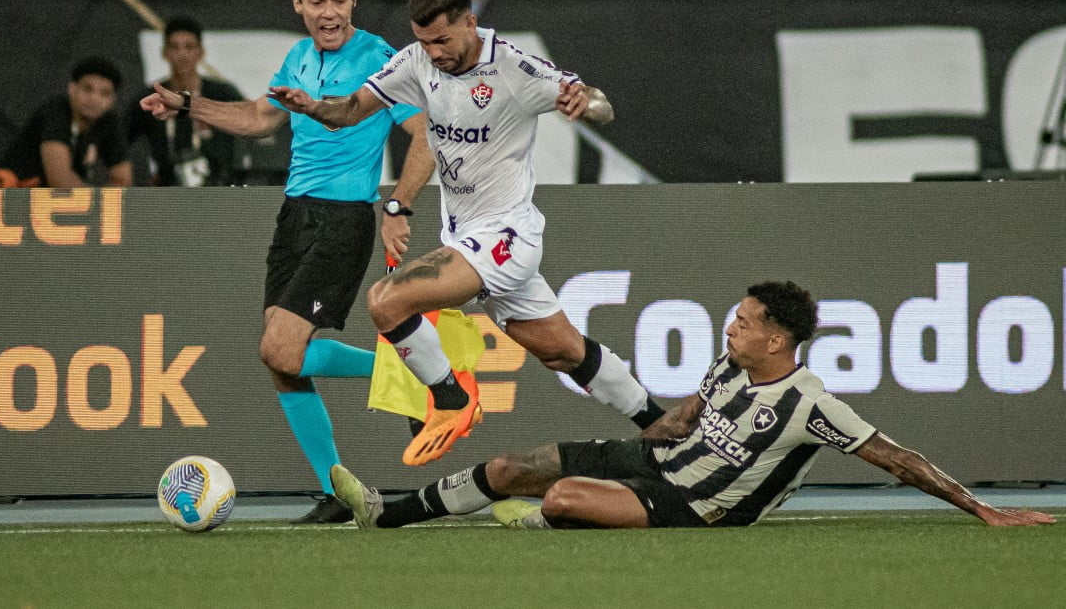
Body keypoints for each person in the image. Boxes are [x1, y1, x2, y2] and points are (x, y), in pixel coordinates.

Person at [267, 0, 666, 469]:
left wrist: (586, 105)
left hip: (505, 237)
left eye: (442, 40)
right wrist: (312, 107)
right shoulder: (416, 61)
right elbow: (351, 109)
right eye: (424, 40)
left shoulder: (514, 68)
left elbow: (598, 101)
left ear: (470, 23)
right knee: (566, 353)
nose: (433, 52)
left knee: (386, 300)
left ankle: (452, 401)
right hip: (465, 236)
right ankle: (661, 426)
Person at [329, 281, 1058, 530]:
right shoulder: (727, 366)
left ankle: (544, 512)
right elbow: (680, 420)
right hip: (661, 458)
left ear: (778, 336)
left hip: (698, 504)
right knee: (513, 462)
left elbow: (898, 458)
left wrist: (983, 507)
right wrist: (643, 417)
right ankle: (385, 513)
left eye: (743, 321)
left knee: (560, 497)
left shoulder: (809, 402)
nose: (730, 325)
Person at [140, 0, 432, 524]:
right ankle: (338, 492)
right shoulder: (297, 55)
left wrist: (398, 204)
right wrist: (184, 104)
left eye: (339, 0)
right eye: (316, 1)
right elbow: (257, 118)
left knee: (278, 348)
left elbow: (425, 133)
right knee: (283, 364)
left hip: (344, 219)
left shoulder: (379, 58)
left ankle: (412, 373)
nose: (329, 13)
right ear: (297, 4)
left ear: (355, 1)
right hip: (294, 217)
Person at [127, 16, 245, 186]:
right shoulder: (152, 99)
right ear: (164, 53)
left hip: (219, 191)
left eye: (189, 47)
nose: (182, 54)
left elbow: (250, 126)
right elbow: (122, 142)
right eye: (174, 47)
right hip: (167, 193)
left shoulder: (223, 94)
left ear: (201, 52)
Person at [0, 56, 132, 188]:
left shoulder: (109, 121)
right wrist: (100, 196)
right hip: (14, 197)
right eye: (87, 89)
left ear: (112, 100)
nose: (94, 99)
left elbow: (124, 183)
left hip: (57, 204)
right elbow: (61, 184)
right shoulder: (54, 112)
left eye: (105, 93)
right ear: (72, 89)